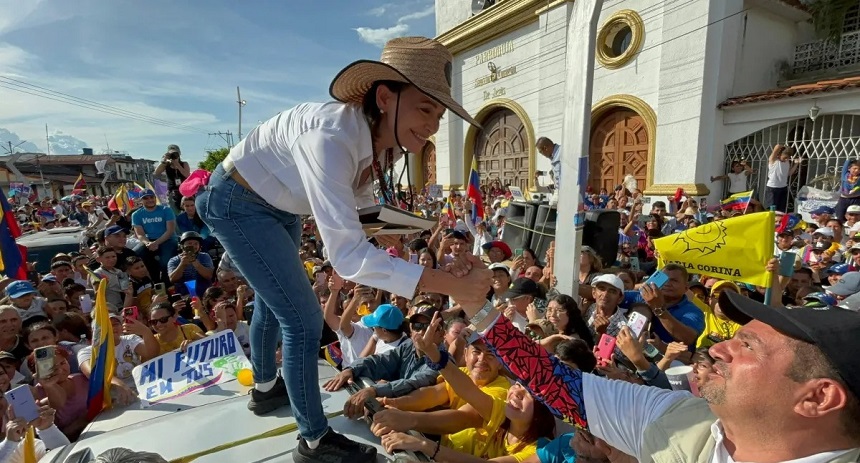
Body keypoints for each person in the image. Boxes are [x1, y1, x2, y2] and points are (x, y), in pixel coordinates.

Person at [193, 36, 492, 463]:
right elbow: (347, 257)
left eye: (439, 116)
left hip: (278, 205)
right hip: (239, 204)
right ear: (385, 98)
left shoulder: (372, 136)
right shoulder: (330, 137)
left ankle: (264, 389)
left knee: (271, 301)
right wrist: (452, 285)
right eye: (425, 109)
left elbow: (363, 202)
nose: (432, 126)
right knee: (301, 319)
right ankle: (314, 442)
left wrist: (385, 229)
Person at [453, 260, 860, 462]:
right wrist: (477, 306)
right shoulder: (682, 418)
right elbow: (559, 384)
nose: (717, 349)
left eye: (748, 347)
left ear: (818, 397)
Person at [154, 144, 190, 211]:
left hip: (184, 192)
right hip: (172, 192)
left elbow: (187, 175)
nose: (174, 156)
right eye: (172, 154)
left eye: (175, 153)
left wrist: (177, 164)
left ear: (179, 154)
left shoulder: (184, 164)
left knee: (186, 211)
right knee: (173, 213)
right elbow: (156, 172)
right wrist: (164, 160)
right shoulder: (166, 165)